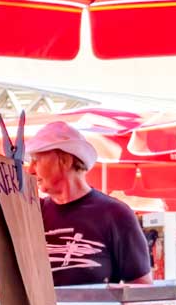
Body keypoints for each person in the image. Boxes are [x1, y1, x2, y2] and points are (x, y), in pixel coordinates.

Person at [26, 122, 153, 285]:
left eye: (36, 160)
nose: (30, 170)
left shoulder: (115, 214)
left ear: (64, 160)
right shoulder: (32, 213)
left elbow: (141, 287)